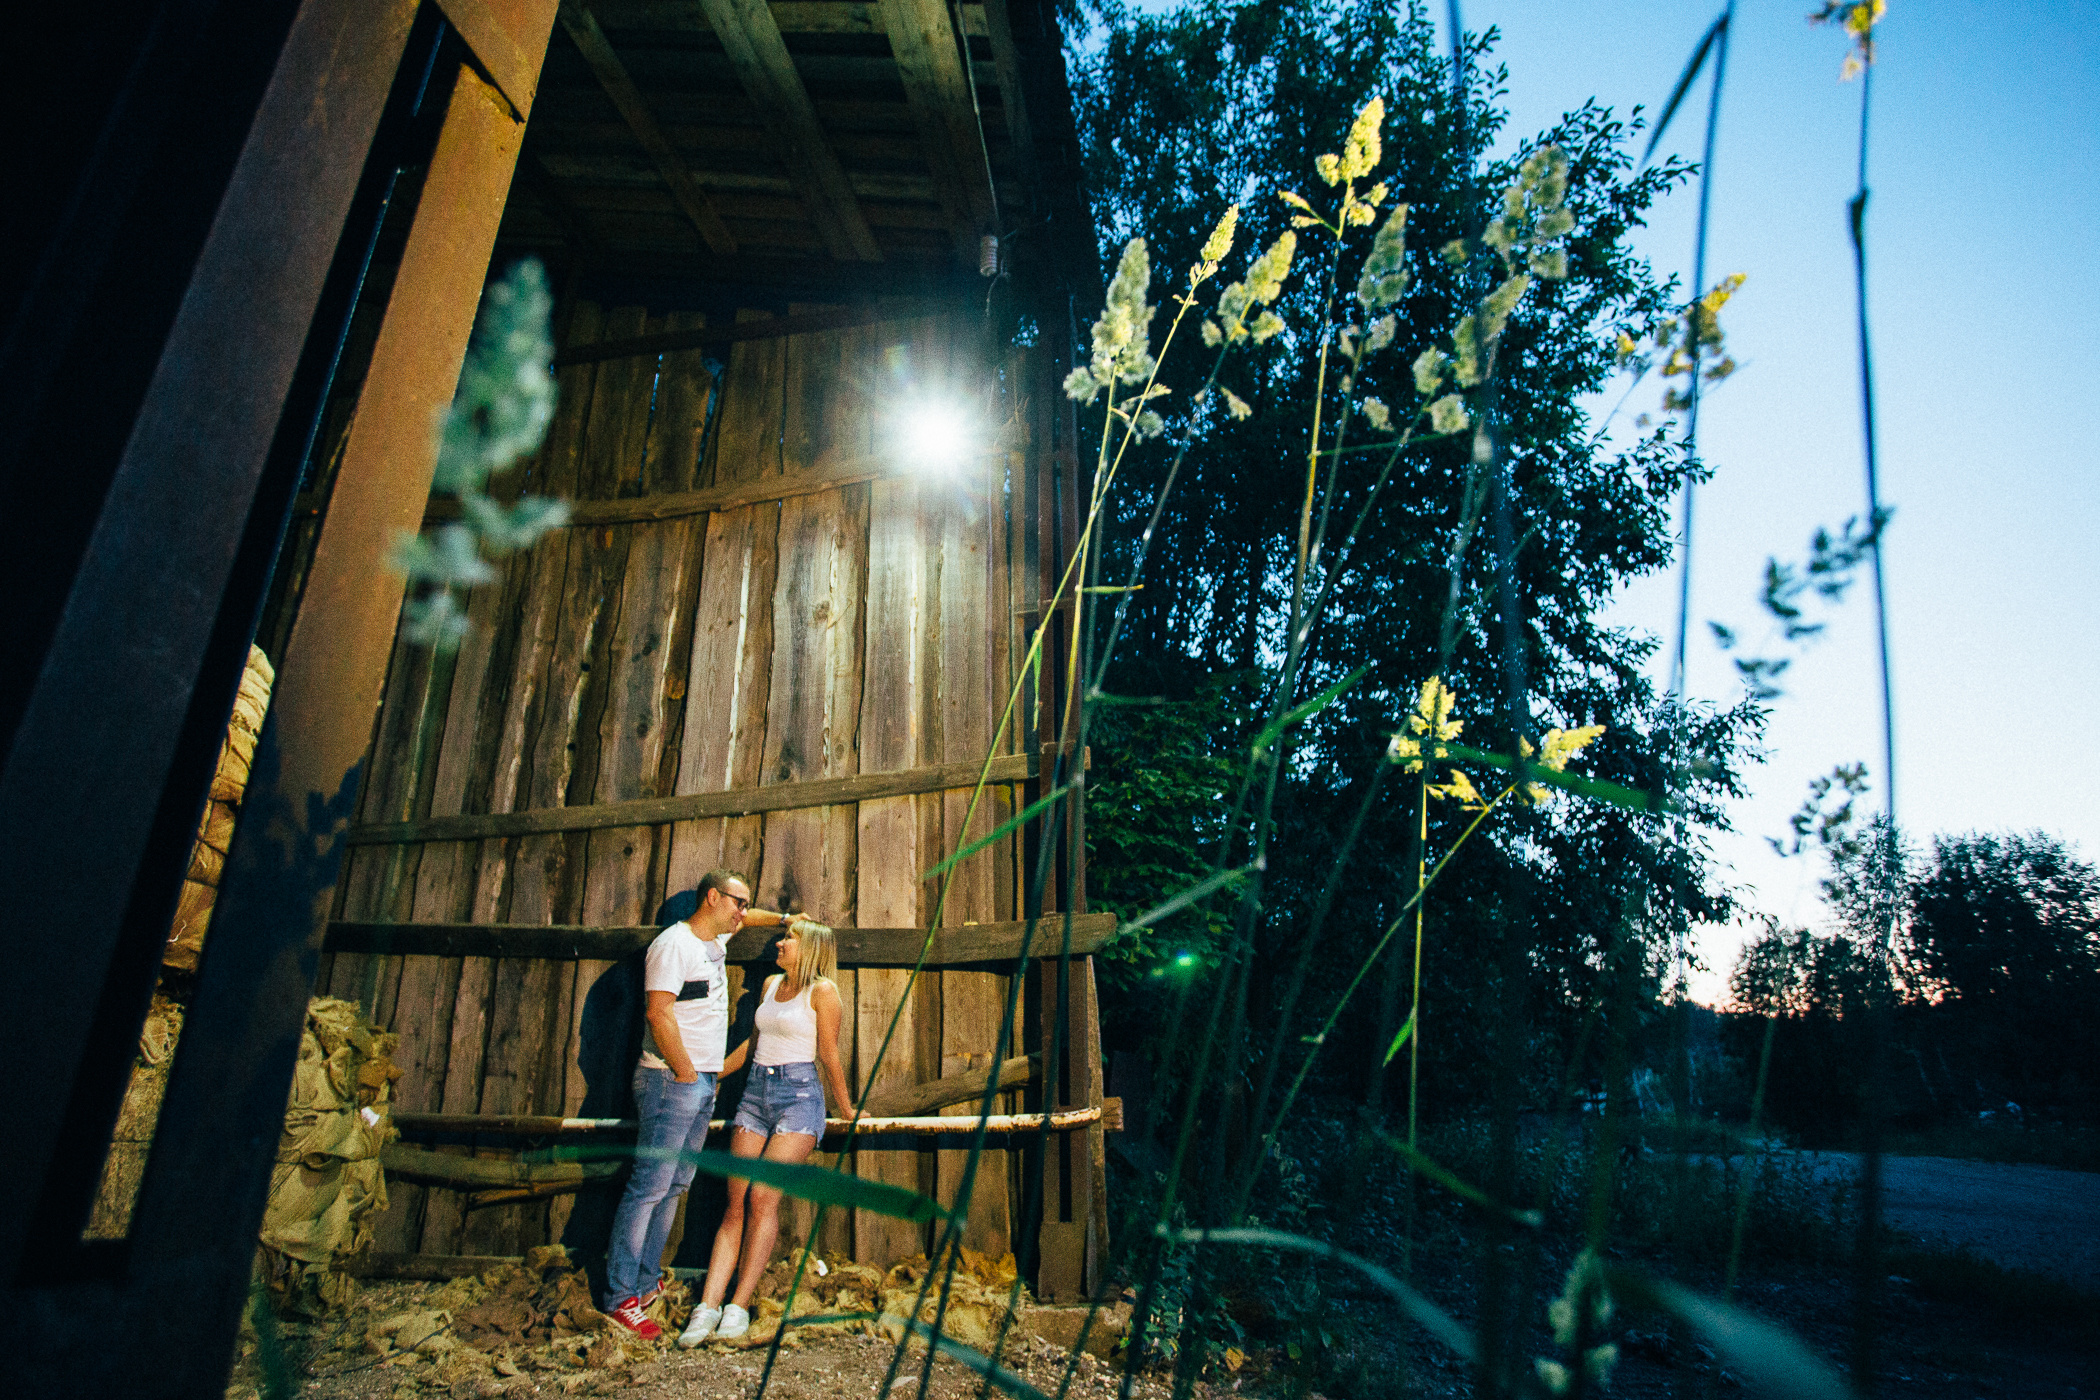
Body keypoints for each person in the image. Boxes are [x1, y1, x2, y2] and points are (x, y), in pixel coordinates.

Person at [600, 869, 799, 1340]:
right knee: (648, 1186)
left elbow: (746, 922)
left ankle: (646, 1282)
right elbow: (658, 1011)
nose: (745, 914)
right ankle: (619, 1297)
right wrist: (687, 1073)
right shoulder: (674, 945)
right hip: (671, 1080)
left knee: (674, 1185)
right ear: (713, 897)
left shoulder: (714, 944)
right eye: (739, 903)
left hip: (700, 1082)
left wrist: (788, 917)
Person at [679, 919, 853, 1346]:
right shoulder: (772, 984)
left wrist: (847, 1109)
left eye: (790, 939)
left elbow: (829, 1055)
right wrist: (713, 1073)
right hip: (755, 1095)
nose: (780, 943)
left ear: (810, 947)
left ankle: (737, 1306)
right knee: (734, 1201)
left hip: (799, 1099)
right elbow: (754, 1044)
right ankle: (707, 1307)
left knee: (762, 1197)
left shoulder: (824, 992)